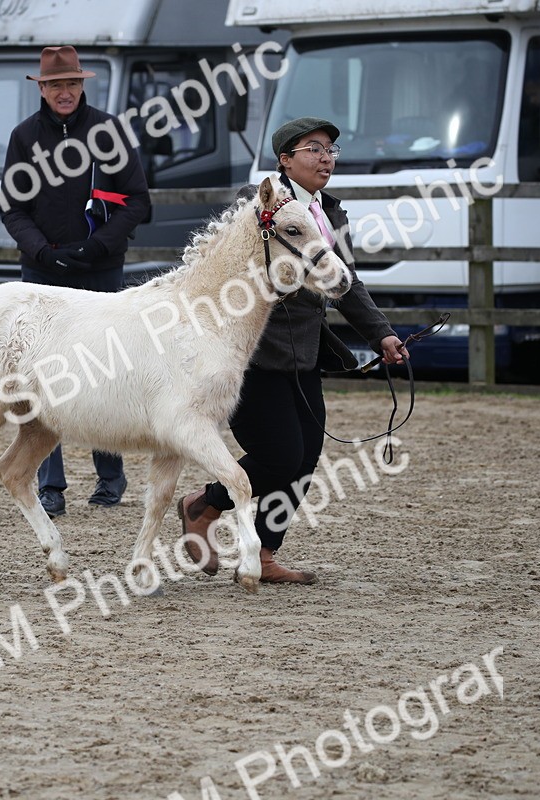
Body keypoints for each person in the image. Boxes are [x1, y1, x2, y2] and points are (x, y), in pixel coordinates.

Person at [176, 117, 410, 584]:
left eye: (331, 151)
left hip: (304, 351)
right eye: (314, 148)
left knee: (305, 459)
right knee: (280, 456)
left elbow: (346, 280)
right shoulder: (258, 201)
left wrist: (380, 334)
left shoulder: (331, 211)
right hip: (252, 352)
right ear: (285, 159)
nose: (326, 158)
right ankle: (202, 505)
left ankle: (264, 555)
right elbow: (239, 268)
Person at [0, 46, 151, 517]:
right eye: (54, 85)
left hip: (100, 268)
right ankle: (51, 484)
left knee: (102, 370)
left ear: (83, 85)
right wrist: (41, 250)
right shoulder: (23, 137)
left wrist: (98, 246)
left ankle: (110, 477)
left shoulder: (109, 131)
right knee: (39, 377)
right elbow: (12, 207)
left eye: (71, 84)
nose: (64, 92)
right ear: (41, 88)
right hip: (42, 274)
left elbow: (138, 201)